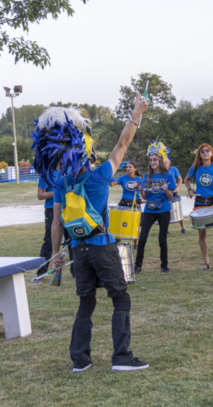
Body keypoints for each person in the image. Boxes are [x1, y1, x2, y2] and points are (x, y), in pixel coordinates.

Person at [33, 96, 149, 372]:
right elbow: (123, 143)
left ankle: (80, 360)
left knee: (86, 302)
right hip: (102, 246)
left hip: (78, 251)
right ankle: (122, 358)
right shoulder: (99, 176)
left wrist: (56, 255)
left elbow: (57, 224)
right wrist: (136, 112)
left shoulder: (61, 182)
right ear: (85, 150)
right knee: (120, 297)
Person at [185, 144, 213, 270]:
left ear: (212, 153)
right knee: (202, 234)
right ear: (199, 154)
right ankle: (206, 262)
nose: (205, 153)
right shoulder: (195, 167)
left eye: (208, 151)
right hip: (200, 202)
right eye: (202, 151)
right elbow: (186, 179)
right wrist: (189, 189)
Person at [134, 141, 176, 274]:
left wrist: (166, 190)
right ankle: (137, 265)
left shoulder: (168, 175)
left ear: (160, 160)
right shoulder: (147, 176)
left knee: (162, 239)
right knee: (142, 238)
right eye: (151, 160)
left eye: (155, 160)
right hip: (149, 210)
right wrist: (141, 189)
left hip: (163, 209)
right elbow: (145, 196)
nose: (153, 162)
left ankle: (164, 266)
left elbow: (171, 197)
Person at [164, 157, 188, 234]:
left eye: (166, 159)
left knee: (177, 209)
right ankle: (166, 229)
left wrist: (177, 188)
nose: (165, 161)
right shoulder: (160, 170)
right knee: (165, 211)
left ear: (170, 162)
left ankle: (183, 228)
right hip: (164, 193)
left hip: (173, 192)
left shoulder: (174, 169)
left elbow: (180, 179)